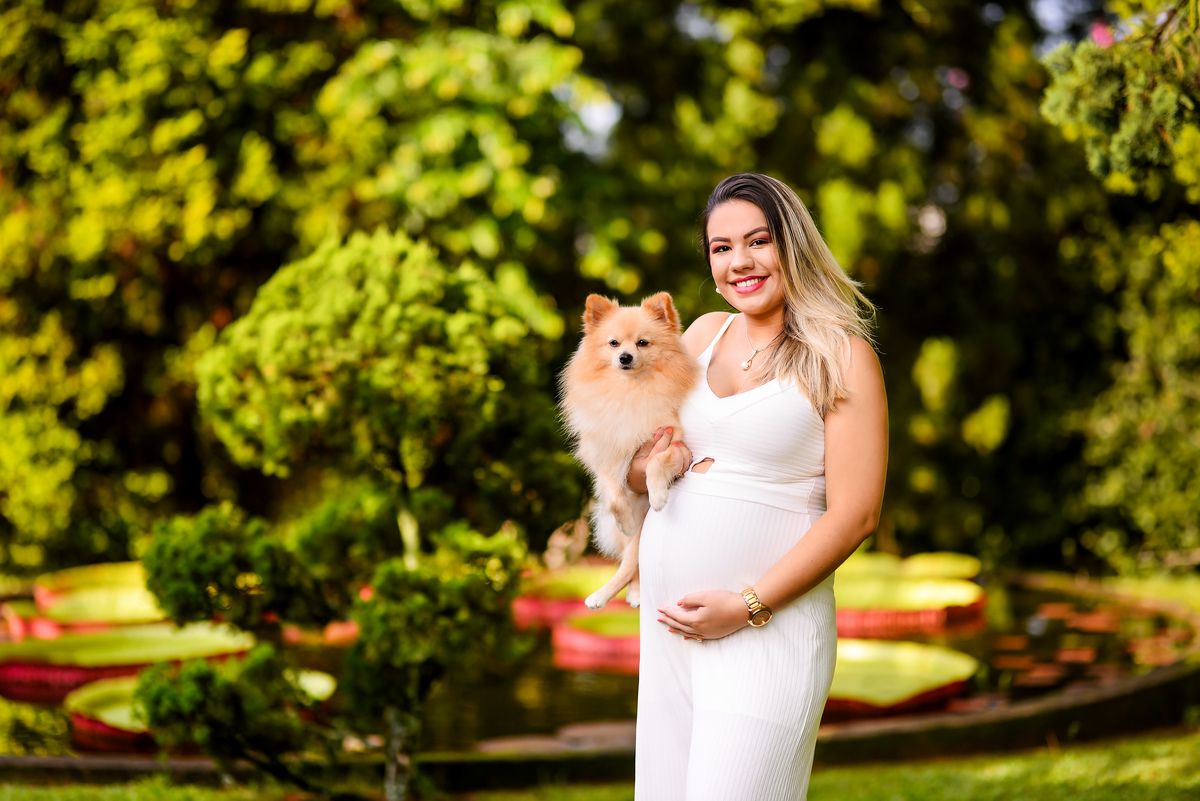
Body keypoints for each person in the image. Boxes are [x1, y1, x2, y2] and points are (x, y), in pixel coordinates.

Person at [626, 173, 888, 800]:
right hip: (669, 642)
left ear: (791, 244)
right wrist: (653, 462)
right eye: (720, 248)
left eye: (757, 241)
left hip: (766, 637)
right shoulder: (698, 336)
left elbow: (855, 514)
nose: (738, 262)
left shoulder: (841, 355)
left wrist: (745, 606)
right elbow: (632, 466)